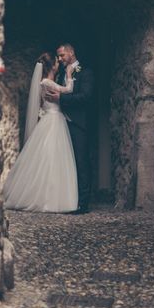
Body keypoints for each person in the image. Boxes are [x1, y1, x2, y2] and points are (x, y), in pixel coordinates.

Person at [3, 52, 78, 213]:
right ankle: (48, 199)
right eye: (57, 62)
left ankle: (45, 195)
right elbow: (68, 90)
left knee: (48, 158)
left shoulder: (43, 82)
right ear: (51, 66)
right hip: (54, 121)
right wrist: (69, 74)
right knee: (52, 159)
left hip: (50, 120)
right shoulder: (47, 82)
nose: (59, 63)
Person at [46, 43, 94, 214]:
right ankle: (68, 201)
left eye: (62, 55)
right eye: (58, 56)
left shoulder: (85, 72)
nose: (59, 59)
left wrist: (62, 99)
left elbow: (86, 97)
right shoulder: (60, 75)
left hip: (78, 123)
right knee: (66, 164)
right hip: (62, 123)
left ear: (71, 53)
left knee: (81, 162)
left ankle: (83, 204)